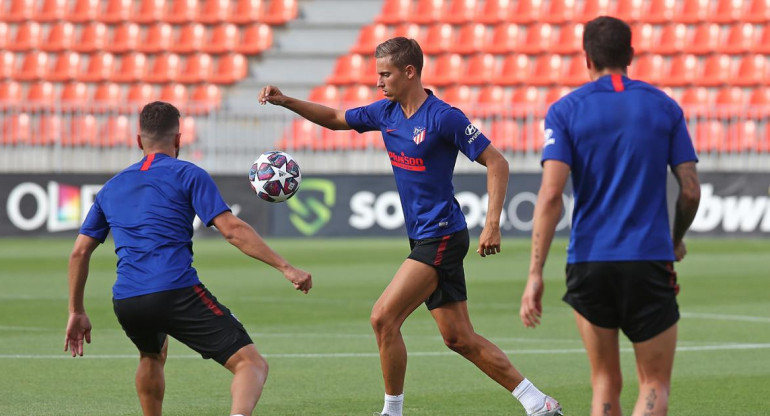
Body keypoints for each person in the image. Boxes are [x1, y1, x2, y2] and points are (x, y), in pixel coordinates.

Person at [259, 37, 563, 416]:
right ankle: (539, 402)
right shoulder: (385, 113)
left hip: (442, 235)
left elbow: (497, 162)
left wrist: (492, 225)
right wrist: (287, 101)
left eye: (385, 74)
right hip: (425, 235)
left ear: (410, 72)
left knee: (382, 317)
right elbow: (337, 119)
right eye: (377, 75)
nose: (378, 83)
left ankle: (392, 411)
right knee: (458, 338)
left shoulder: (443, 117)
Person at [64, 101, 312, 416]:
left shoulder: (111, 188)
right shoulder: (188, 174)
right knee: (251, 364)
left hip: (127, 299)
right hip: (174, 291)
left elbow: (79, 251)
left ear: (138, 140)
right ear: (178, 139)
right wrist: (286, 267)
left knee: (151, 356)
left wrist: (76, 310)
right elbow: (232, 230)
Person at [520, 16, 701, 416]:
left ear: (587, 58)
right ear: (631, 55)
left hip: (589, 261)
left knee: (605, 382)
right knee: (654, 384)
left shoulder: (565, 110)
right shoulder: (664, 107)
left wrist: (535, 274)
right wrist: (674, 237)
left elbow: (551, 196)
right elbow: (690, 190)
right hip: (648, 258)